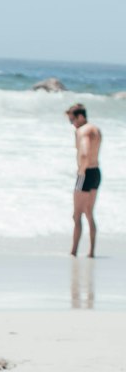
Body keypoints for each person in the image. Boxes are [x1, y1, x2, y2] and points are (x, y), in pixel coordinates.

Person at [66, 104, 102, 257]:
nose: (72, 124)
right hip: (96, 172)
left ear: (81, 117)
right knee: (89, 213)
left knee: (77, 215)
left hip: (85, 174)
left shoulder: (82, 131)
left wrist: (81, 170)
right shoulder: (96, 129)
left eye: (72, 120)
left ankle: (73, 252)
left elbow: (85, 153)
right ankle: (91, 252)